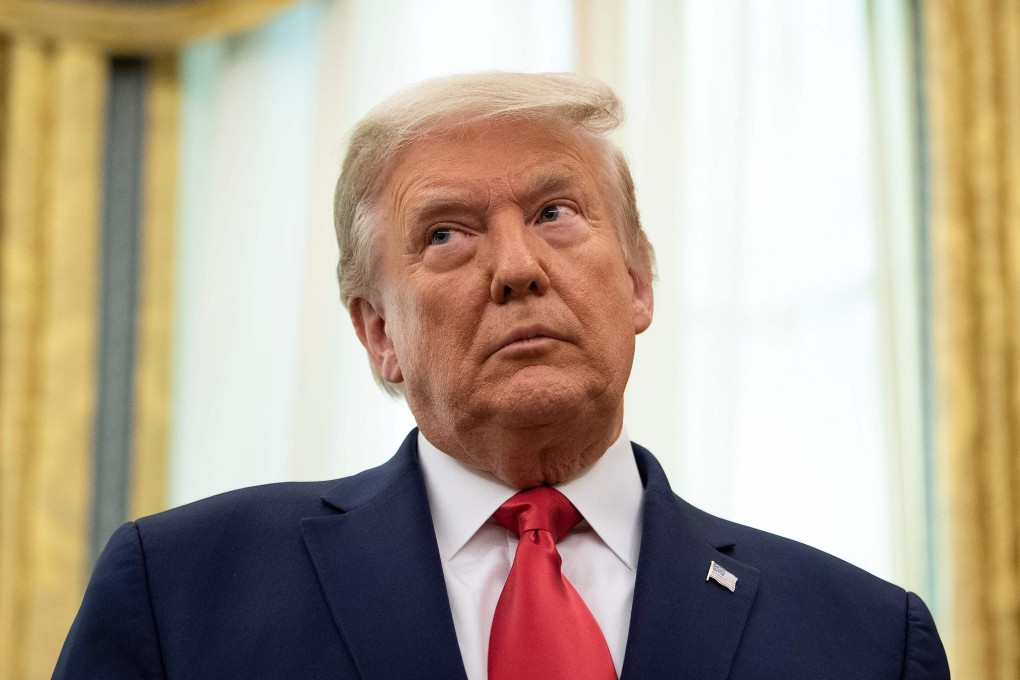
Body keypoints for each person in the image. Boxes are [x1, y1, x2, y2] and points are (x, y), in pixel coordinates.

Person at [54, 72, 950, 679]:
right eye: (447, 233)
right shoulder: (180, 595)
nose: (517, 267)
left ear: (638, 282)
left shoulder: (865, 639)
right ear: (377, 332)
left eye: (556, 212)